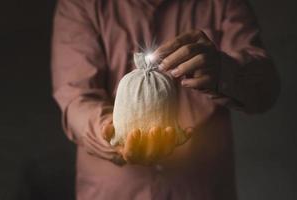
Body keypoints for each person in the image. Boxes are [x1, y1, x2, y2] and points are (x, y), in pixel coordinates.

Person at [51, 0, 279, 199]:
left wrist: (224, 69)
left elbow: (267, 89)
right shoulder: (82, 3)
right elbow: (75, 96)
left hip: (201, 189)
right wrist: (108, 131)